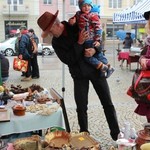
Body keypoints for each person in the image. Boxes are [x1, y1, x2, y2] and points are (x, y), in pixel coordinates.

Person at [37, 10, 120, 141]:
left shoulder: (76, 25)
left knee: (107, 103)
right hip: (79, 75)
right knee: (81, 107)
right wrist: (79, 43)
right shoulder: (56, 43)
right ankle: (84, 135)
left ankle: (116, 134)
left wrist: (95, 49)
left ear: (56, 25)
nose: (51, 35)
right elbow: (69, 60)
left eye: (50, 31)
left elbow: (97, 38)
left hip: (95, 69)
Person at [68, 0, 114, 78]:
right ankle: (106, 68)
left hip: (91, 40)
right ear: (80, 7)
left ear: (91, 6)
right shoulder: (78, 14)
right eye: (84, 6)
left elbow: (98, 29)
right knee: (96, 55)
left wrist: (97, 40)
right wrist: (71, 22)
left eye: (89, 6)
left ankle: (104, 67)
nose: (87, 8)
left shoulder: (92, 15)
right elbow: (73, 19)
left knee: (88, 56)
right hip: (84, 39)